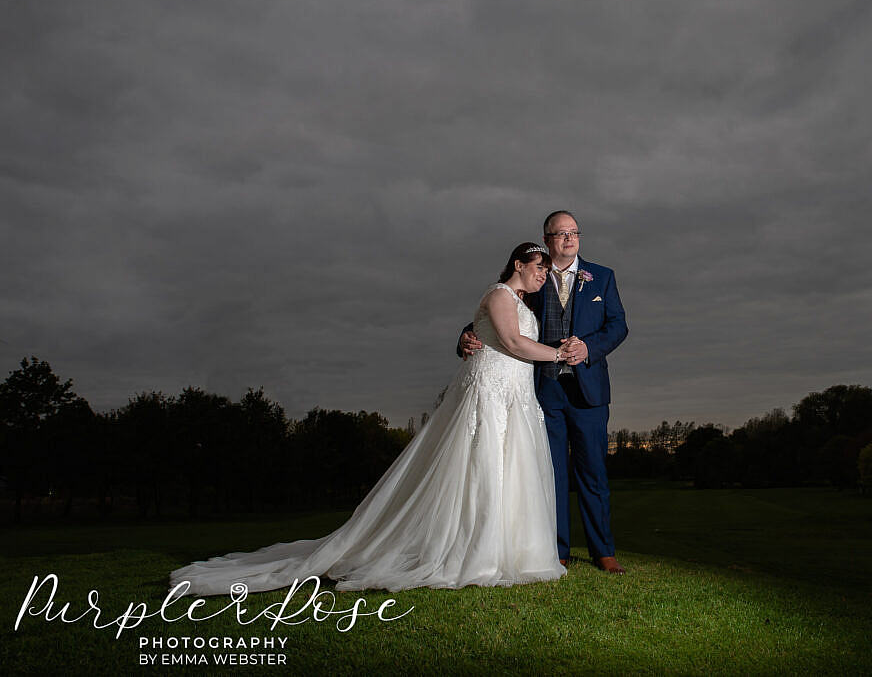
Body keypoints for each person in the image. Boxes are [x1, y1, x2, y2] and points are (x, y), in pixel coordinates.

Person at [169, 243, 571, 595]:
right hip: (491, 394)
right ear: (518, 264)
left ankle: (509, 549)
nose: (542, 275)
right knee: (481, 468)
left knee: (509, 470)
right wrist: (559, 354)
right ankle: (474, 550)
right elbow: (513, 341)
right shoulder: (500, 294)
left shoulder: (521, 303)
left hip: (515, 396)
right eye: (538, 267)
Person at [459, 211, 628, 574]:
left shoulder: (602, 277)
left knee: (594, 472)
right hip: (542, 391)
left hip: (590, 392)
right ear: (547, 239)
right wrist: (464, 335)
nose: (569, 239)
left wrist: (590, 349)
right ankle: (556, 549)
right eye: (560, 233)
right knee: (548, 474)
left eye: (574, 232)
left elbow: (618, 326)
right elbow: (498, 310)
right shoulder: (533, 276)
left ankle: (603, 551)